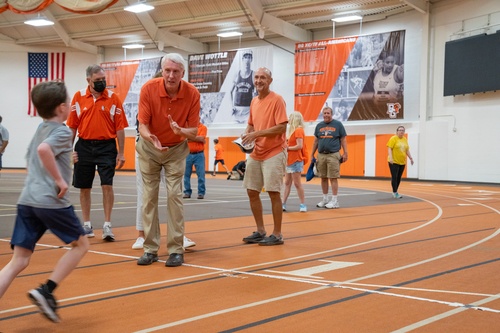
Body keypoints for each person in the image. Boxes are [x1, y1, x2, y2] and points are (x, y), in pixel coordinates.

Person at [0, 81, 89, 323]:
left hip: (27, 200)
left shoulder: (41, 128)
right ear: (61, 108)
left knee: (19, 260)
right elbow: (42, 151)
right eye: (69, 102)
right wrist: (60, 180)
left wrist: (64, 158)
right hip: (50, 202)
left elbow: (33, 159)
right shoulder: (61, 131)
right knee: (81, 245)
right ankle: (46, 291)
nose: (70, 106)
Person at [136, 53, 199, 267]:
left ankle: (176, 250)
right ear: (162, 71)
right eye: (167, 71)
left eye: (176, 71)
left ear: (183, 73)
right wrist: (149, 137)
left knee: (174, 195)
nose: (171, 75)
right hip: (149, 148)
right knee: (149, 197)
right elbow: (142, 123)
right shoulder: (148, 89)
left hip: (176, 149)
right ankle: (150, 249)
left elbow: (194, 130)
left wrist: (181, 130)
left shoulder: (192, 93)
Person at [67, 65, 128, 241]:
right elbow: (72, 126)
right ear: (88, 80)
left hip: (106, 147)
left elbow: (120, 127)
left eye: (103, 80)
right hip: (84, 146)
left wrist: (121, 152)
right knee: (84, 187)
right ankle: (86, 224)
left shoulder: (113, 98)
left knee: (107, 184)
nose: (102, 83)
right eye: (98, 80)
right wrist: (68, 151)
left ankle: (107, 225)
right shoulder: (78, 97)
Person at [241, 67, 288, 246]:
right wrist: (246, 136)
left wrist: (256, 134)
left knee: (273, 192)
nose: (259, 80)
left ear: (270, 80)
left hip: (274, 151)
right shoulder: (254, 101)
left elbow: (282, 127)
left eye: (263, 78)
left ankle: (277, 233)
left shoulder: (277, 100)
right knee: (252, 190)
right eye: (257, 77)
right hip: (256, 152)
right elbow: (251, 125)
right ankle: (261, 230)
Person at [133, 120, 196, 250]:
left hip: (172, 147)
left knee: (174, 193)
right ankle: (142, 235)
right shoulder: (147, 101)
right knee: (145, 192)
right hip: (147, 145)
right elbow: (142, 124)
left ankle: (178, 236)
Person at [311, 106, 348, 209]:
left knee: (333, 177)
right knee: (323, 177)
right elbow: (315, 141)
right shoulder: (319, 126)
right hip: (321, 155)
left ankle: (335, 201)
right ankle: (325, 199)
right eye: (325, 113)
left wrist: (345, 153)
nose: (326, 115)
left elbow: (343, 139)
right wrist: (312, 154)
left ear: (331, 114)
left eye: (328, 113)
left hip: (333, 154)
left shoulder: (338, 124)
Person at [282, 111, 307, 213]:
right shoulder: (292, 131)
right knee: (287, 183)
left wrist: (287, 148)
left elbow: (299, 146)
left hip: (296, 160)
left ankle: (302, 204)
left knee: (297, 184)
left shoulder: (298, 130)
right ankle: (283, 204)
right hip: (289, 160)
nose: (288, 120)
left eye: (290, 118)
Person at [387, 125, 414, 199]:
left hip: (402, 162)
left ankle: (395, 191)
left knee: (399, 177)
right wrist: (391, 158)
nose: (401, 132)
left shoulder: (405, 139)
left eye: (403, 130)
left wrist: (410, 158)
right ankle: (395, 192)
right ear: (397, 131)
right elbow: (389, 148)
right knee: (394, 177)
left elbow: (407, 150)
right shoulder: (393, 138)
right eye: (400, 130)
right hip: (393, 161)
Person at [230, 49, 256, 123]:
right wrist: (232, 106)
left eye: (249, 57)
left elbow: (257, 93)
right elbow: (230, 91)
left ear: (251, 59)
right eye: (245, 57)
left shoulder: (253, 74)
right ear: (242, 59)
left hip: (248, 109)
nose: (247, 59)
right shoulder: (237, 74)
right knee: (233, 133)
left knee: (246, 132)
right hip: (237, 109)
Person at [183, 122, 208, 199]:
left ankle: (201, 192)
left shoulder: (203, 127)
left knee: (201, 174)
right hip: (188, 154)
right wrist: (197, 138)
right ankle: (187, 192)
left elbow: (201, 138)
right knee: (186, 175)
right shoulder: (187, 128)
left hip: (199, 154)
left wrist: (190, 138)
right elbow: (184, 139)